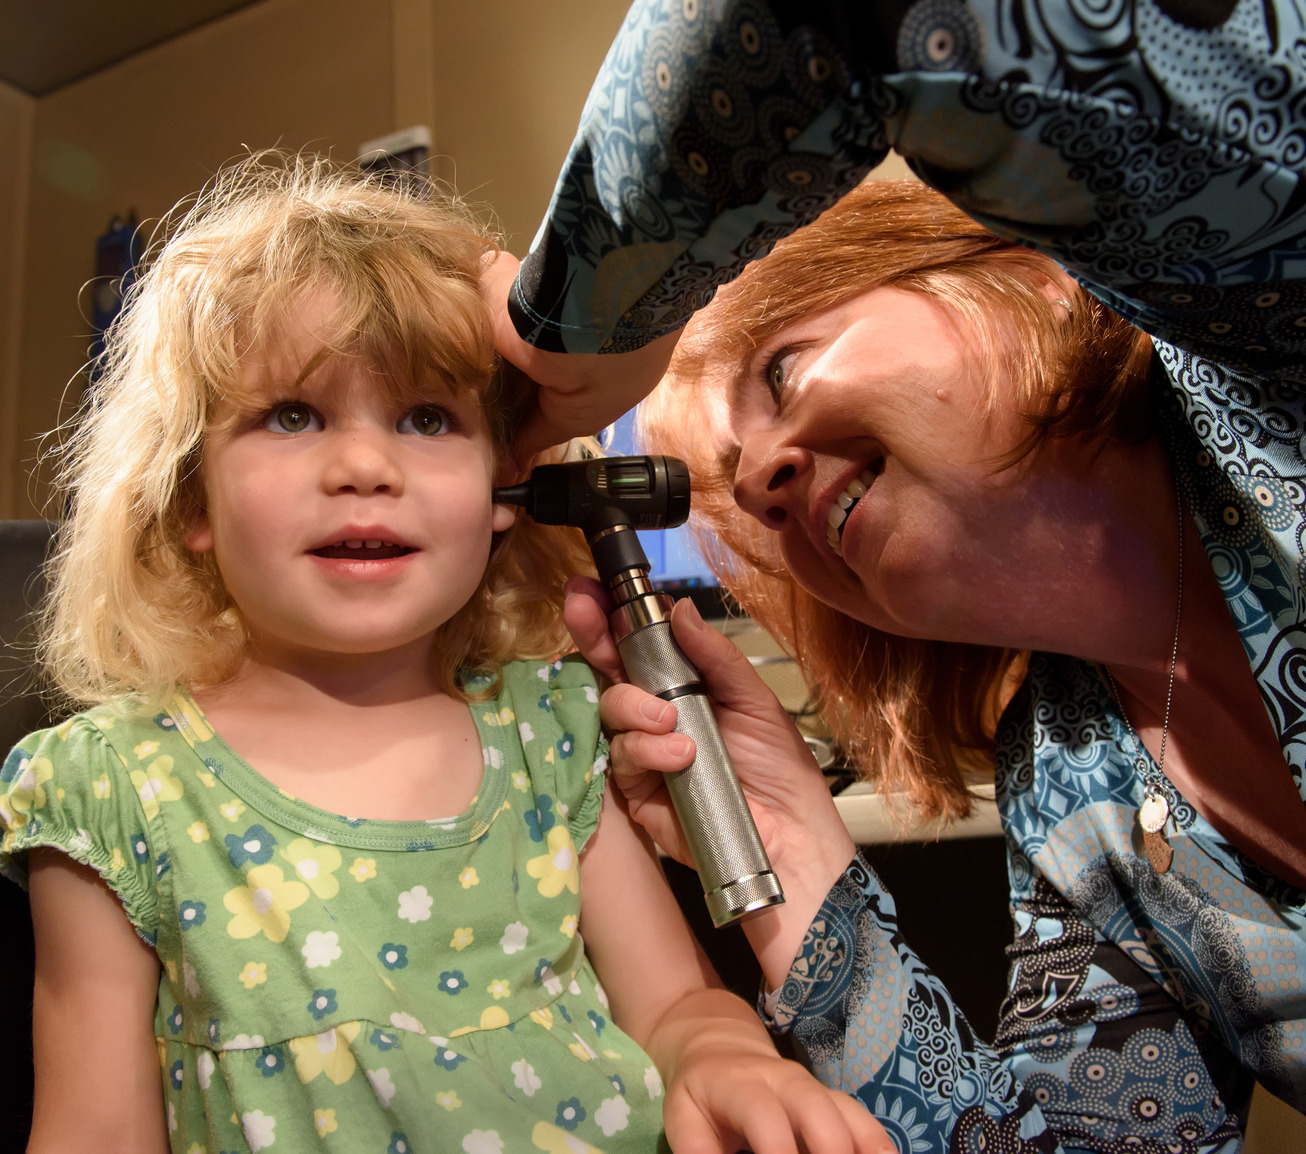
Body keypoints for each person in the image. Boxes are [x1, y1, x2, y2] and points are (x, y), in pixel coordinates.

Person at [482, 0, 1306, 1150]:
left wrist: (576, 321)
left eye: (781, 368)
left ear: (1018, 271)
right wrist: (796, 862)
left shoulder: (1269, 356)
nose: (766, 475)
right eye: (737, 495)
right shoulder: (1076, 783)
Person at [0, 154, 890, 1154]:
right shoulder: (115, 790)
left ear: (504, 489)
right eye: (292, 414)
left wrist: (720, 1056)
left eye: (427, 417)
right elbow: (91, 1127)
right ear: (191, 499)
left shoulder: (547, 731)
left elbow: (678, 1001)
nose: (366, 467)